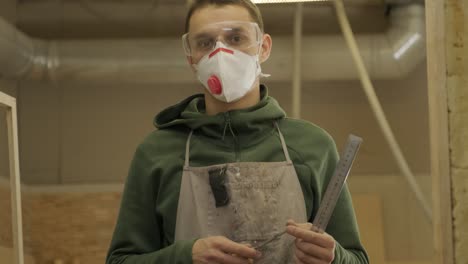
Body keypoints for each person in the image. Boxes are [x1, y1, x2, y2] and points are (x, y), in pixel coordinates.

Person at [105, 0, 369, 263]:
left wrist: (336, 258)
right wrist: (185, 257)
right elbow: (119, 260)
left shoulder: (314, 147)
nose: (221, 52)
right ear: (191, 58)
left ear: (263, 47)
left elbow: (358, 259)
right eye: (205, 43)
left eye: (235, 37)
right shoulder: (157, 153)